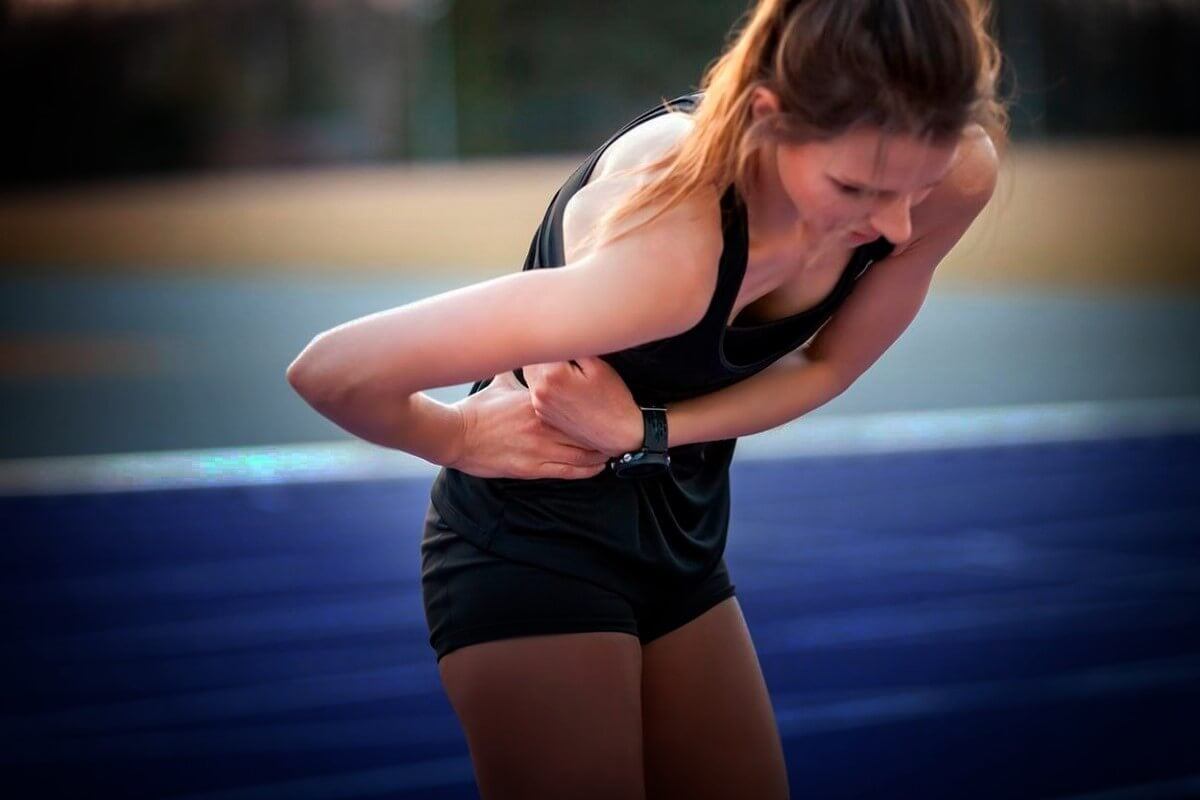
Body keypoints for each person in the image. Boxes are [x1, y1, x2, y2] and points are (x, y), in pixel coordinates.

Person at [287, 1, 1008, 797]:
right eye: (858, 187)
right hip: (532, 544)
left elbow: (827, 367)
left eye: (921, 183)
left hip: (684, 543)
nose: (899, 227)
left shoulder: (955, 178)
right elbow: (337, 369)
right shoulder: (674, 246)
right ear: (767, 117)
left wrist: (647, 430)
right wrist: (457, 437)